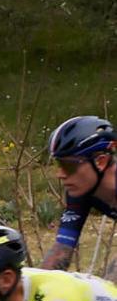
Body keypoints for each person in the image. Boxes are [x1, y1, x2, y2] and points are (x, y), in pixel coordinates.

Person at [42, 114, 117, 272]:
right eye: (58, 164)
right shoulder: (80, 191)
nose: (60, 174)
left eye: (69, 166)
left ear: (100, 162)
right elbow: (62, 249)